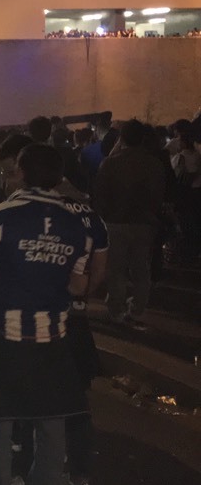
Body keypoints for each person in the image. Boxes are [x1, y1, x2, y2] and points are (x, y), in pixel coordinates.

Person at [0, 144, 98, 485]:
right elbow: (78, 283)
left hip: (4, 336)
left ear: (20, 171)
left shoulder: (0, 215)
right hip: (53, 338)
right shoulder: (77, 225)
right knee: (50, 432)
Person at [93, 119, 166, 329]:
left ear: (121, 138)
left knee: (116, 269)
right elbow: (159, 195)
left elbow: (100, 195)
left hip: (116, 221)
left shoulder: (111, 163)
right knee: (141, 267)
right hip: (145, 223)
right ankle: (138, 307)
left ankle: (117, 309)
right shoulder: (154, 163)